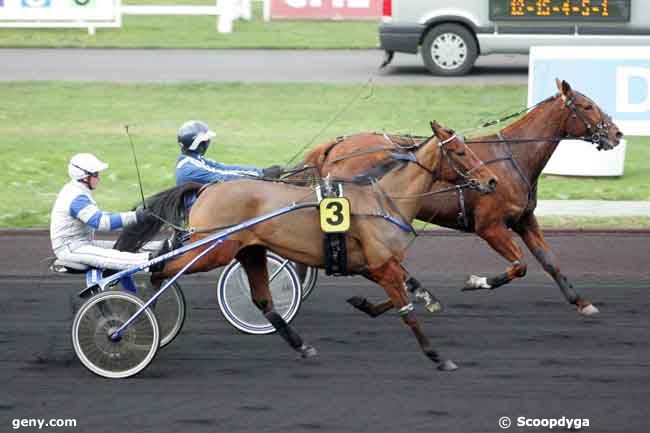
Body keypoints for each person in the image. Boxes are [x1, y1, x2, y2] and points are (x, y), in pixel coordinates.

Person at [50, 153, 159, 271]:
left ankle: (164, 246)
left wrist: (133, 216)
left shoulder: (77, 191)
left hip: (82, 243)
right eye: (96, 174)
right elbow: (101, 222)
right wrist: (136, 216)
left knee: (129, 246)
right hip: (72, 248)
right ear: (85, 177)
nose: (99, 178)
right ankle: (153, 261)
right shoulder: (76, 198)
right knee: (120, 258)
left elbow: (101, 216)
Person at [175, 120, 283, 194]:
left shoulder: (195, 160)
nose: (208, 143)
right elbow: (224, 176)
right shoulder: (189, 168)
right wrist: (260, 176)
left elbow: (226, 168)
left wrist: (261, 171)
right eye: (205, 141)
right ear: (199, 144)